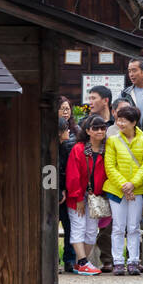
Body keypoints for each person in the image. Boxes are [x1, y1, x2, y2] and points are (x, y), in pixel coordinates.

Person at [103, 102, 143, 274]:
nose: (120, 124)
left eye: (124, 121)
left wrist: (133, 185)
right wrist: (125, 186)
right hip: (117, 190)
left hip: (137, 190)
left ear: (134, 122)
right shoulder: (113, 141)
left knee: (133, 227)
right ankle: (117, 261)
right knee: (118, 226)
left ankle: (133, 260)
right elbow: (110, 166)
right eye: (118, 120)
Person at [64, 115, 109, 275]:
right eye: (95, 128)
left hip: (96, 196)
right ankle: (83, 262)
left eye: (102, 128)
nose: (99, 131)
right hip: (78, 195)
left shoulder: (107, 149)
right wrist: (77, 198)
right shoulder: (79, 149)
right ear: (88, 130)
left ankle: (81, 262)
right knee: (79, 226)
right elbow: (73, 175)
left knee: (91, 231)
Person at [85, 85, 115, 270]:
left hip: (112, 179)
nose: (90, 102)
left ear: (105, 100)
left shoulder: (116, 123)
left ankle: (111, 259)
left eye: (93, 98)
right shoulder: (87, 123)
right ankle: (100, 260)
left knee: (110, 223)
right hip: (91, 180)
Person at [58, 115, 78, 274]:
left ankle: (69, 261)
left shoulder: (66, 147)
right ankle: (53, 260)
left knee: (69, 226)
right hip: (56, 193)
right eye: (66, 129)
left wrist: (63, 189)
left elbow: (65, 171)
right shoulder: (50, 148)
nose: (69, 131)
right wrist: (57, 192)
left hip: (65, 192)